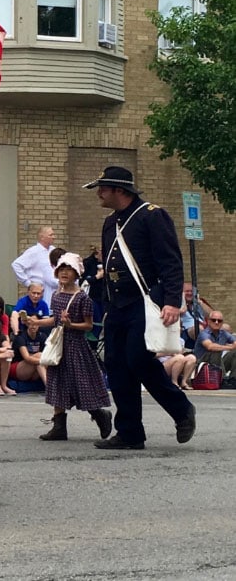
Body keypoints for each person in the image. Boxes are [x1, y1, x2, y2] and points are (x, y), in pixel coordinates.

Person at [84, 166, 195, 449]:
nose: (99, 194)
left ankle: (181, 409)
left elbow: (170, 262)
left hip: (144, 303)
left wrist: (171, 301)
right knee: (117, 365)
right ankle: (130, 432)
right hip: (118, 305)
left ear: (120, 190)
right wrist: (107, 303)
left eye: (103, 189)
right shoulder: (110, 222)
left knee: (139, 360)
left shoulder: (152, 216)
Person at [30, 253, 112, 441]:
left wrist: (71, 325)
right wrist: (36, 322)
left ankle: (100, 415)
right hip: (59, 345)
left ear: (76, 274)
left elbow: (89, 325)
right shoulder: (57, 295)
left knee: (80, 385)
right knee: (57, 383)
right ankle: (59, 427)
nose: (64, 273)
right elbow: (55, 319)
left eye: (69, 270)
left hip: (76, 347)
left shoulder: (82, 298)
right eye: (61, 270)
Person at [12, 226, 58, 305]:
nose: (54, 237)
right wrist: (28, 283)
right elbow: (16, 265)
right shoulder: (34, 251)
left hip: (52, 289)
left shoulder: (53, 250)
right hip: (38, 292)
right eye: (51, 235)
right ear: (42, 237)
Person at [194, 310, 236, 379]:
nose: (216, 322)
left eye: (219, 321)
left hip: (218, 363)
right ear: (208, 321)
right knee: (215, 351)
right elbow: (210, 346)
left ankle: (233, 379)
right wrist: (229, 347)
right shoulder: (204, 334)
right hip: (202, 365)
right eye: (214, 320)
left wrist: (233, 346)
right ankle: (223, 379)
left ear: (222, 323)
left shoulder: (224, 333)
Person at [11, 321, 48, 387]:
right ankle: (49, 387)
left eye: (36, 323)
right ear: (27, 324)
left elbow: (46, 354)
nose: (33, 326)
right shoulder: (21, 337)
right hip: (18, 368)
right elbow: (27, 358)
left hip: (35, 367)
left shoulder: (43, 336)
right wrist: (44, 361)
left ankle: (48, 386)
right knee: (39, 357)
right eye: (31, 324)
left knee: (40, 359)